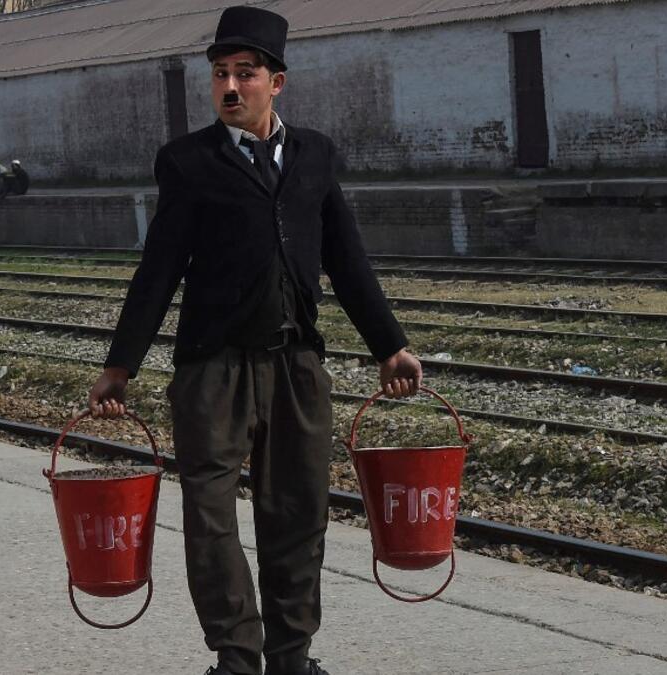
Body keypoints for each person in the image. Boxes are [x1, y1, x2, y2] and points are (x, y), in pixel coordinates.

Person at [87, 6, 421, 675]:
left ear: (278, 82)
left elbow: (347, 259)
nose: (230, 87)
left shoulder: (315, 156)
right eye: (219, 75)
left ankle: (291, 656)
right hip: (213, 370)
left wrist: (390, 345)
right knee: (211, 518)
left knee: (298, 514)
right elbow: (158, 270)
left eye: (245, 74)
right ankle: (237, 658)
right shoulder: (187, 163)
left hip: (297, 365)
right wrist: (120, 364)